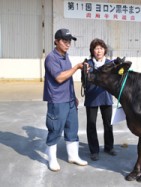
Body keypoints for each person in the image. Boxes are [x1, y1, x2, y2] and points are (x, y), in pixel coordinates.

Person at [43, 28, 88, 171]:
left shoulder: (65, 56)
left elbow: (68, 80)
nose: (68, 44)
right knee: (55, 129)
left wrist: (73, 96)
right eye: (64, 41)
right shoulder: (51, 58)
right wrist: (76, 67)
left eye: (69, 41)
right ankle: (52, 159)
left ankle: (73, 156)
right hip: (57, 100)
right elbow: (60, 77)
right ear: (56, 41)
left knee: (72, 129)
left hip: (68, 100)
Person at [83, 38, 116, 161]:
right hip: (91, 98)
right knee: (91, 124)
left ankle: (109, 147)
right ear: (92, 51)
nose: (99, 51)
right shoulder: (87, 64)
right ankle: (94, 150)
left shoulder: (110, 63)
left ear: (105, 50)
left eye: (101, 48)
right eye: (96, 48)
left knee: (108, 124)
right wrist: (84, 73)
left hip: (106, 97)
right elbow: (84, 81)